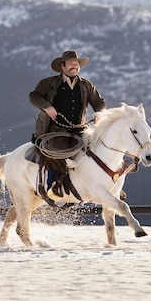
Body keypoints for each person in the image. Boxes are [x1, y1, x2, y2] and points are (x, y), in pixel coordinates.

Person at [29, 50, 106, 199]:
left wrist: (100, 113)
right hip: (55, 130)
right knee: (58, 154)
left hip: (80, 129)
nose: (74, 67)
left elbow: (98, 102)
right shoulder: (48, 83)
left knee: (98, 148)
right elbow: (34, 96)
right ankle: (51, 188)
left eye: (76, 64)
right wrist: (46, 106)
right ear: (62, 66)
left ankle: (106, 184)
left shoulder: (86, 85)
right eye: (71, 64)